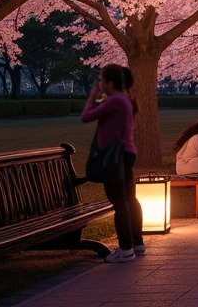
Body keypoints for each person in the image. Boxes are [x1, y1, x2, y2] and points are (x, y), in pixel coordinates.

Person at [81, 64, 143, 262]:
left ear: (111, 82)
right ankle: (137, 242)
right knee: (129, 199)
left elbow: (87, 115)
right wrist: (101, 95)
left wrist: (93, 94)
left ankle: (125, 248)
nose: (100, 84)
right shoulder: (126, 100)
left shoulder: (116, 100)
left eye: (102, 80)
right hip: (126, 153)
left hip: (115, 156)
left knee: (119, 201)